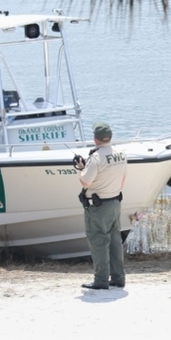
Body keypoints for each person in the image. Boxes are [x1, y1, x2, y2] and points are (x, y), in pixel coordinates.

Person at [75, 122, 128, 289]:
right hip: (114, 202)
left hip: (98, 207)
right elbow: (123, 181)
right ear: (110, 137)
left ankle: (101, 280)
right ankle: (119, 278)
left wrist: (80, 168)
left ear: (95, 138)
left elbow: (85, 181)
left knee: (98, 241)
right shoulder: (121, 154)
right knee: (115, 241)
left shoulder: (96, 157)